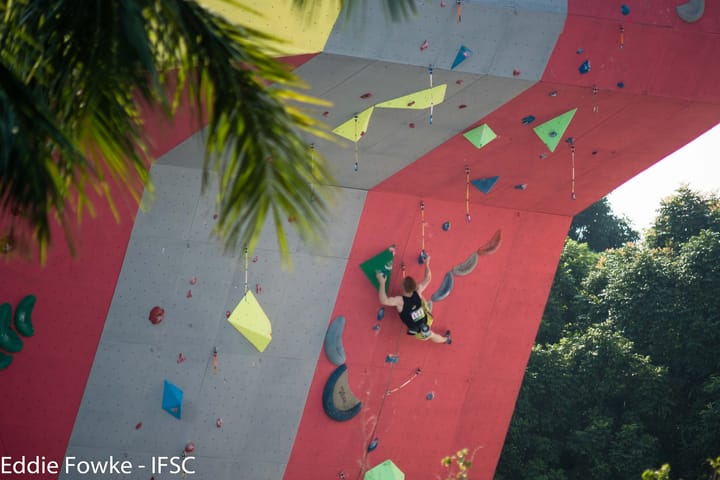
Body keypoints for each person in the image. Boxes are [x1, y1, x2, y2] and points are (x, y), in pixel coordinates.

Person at [376, 256, 451, 344]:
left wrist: (382, 283)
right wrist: (427, 264)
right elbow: (428, 278)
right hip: (427, 319)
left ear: (402, 288)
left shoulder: (400, 301)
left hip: (420, 332)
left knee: (431, 335)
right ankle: (443, 339)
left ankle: (445, 340)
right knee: (421, 298)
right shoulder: (418, 290)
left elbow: (384, 300)